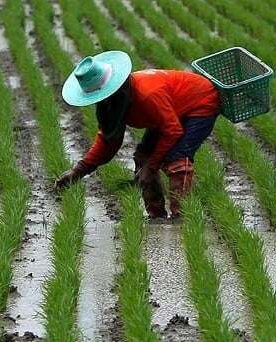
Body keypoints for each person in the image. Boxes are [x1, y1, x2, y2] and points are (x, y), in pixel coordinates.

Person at [53, 50, 221, 218]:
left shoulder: (146, 95)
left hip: (200, 103)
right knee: (142, 158)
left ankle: (183, 218)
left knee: (177, 159)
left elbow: (173, 130)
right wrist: (78, 171)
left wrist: (152, 166)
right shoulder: (113, 103)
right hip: (170, 111)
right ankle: (157, 215)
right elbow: (108, 141)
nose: (101, 101)